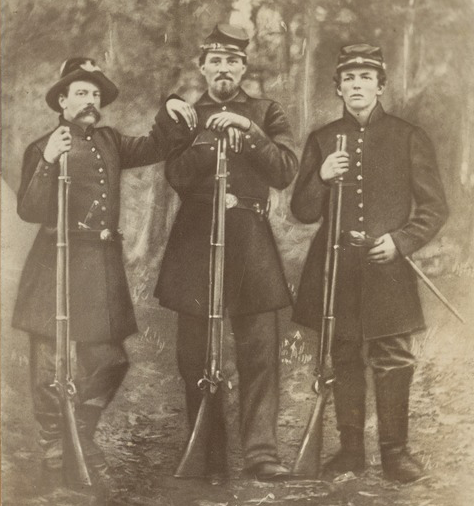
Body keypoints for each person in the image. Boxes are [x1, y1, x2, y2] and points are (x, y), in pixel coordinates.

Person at [12, 57, 196, 486]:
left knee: (110, 360)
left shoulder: (111, 141)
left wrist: (169, 109)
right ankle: (56, 458)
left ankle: (81, 434)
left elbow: (156, 146)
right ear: (62, 100)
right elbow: (29, 209)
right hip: (55, 261)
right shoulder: (42, 146)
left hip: (99, 264)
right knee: (49, 368)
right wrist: (49, 162)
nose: (91, 100)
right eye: (81, 92)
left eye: (95, 94)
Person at [291, 44, 448, 483]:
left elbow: (434, 209)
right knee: (344, 354)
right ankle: (351, 451)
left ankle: (395, 453)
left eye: (365, 77)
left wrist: (401, 241)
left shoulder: (408, 136)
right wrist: (321, 177)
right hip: (335, 269)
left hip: (388, 267)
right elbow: (301, 211)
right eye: (349, 77)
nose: (357, 84)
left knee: (393, 356)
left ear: (380, 85)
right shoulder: (322, 139)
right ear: (337, 88)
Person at [154, 24, 298, 482]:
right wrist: (205, 138)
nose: (224, 69)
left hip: (250, 238)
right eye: (215, 61)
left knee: (259, 348)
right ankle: (209, 450)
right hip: (196, 240)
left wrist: (248, 130)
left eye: (232, 61)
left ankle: (260, 453)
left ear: (243, 68)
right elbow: (175, 174)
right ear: (202, 67)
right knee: (195, 353)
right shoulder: (184, 114)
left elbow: (285, 171)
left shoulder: (266, 112)